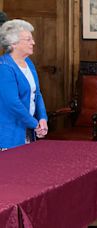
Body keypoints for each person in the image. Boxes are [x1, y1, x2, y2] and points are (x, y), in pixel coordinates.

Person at [0, 19, 48, 150]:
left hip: (28, 130)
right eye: (28, 39)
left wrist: (43, 118)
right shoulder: (4, 67)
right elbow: (12, 104)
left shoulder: (28, 63)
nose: (33, 42)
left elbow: (37, 94)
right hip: (10, 134)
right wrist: (35, 123)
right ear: (13, 43)